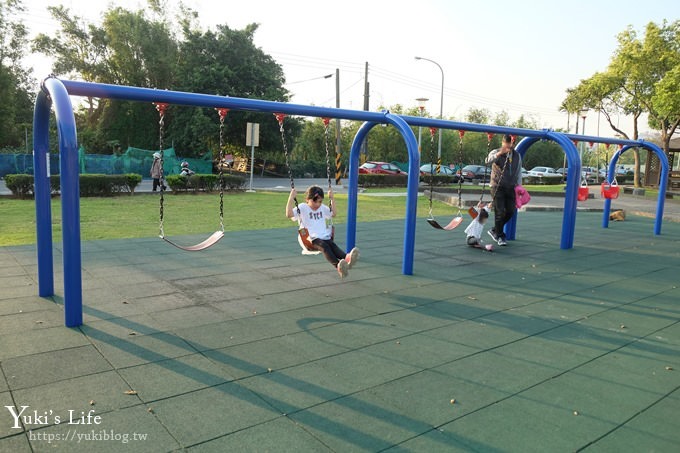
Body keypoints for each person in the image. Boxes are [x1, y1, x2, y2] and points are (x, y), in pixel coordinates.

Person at [286, 185, 359, 278]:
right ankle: (338, 266)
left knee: (331, 244)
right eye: (314, 201)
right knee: (324, 246)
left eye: (320, 201)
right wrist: (291, 197)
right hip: (309, 239)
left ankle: (347, 258)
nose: (317, 204)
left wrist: (332, 199)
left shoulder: (322, 208)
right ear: (307, 199)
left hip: (323, 236)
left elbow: (333, 214)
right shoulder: (303, 207)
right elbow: (289, 214)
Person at [486, 134, 522, 246]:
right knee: (499, 211)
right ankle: (500, 236)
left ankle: (495, 230)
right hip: (497, 186)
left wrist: (519, 187)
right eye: (507, 146)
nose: (508, 149)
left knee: (511, 211)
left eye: (510, 146)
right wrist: (499, 153)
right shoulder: (495, 152)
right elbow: (487, 161)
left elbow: (518, 171)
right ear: (503, 143)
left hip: (511, 187)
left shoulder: (517, 155)